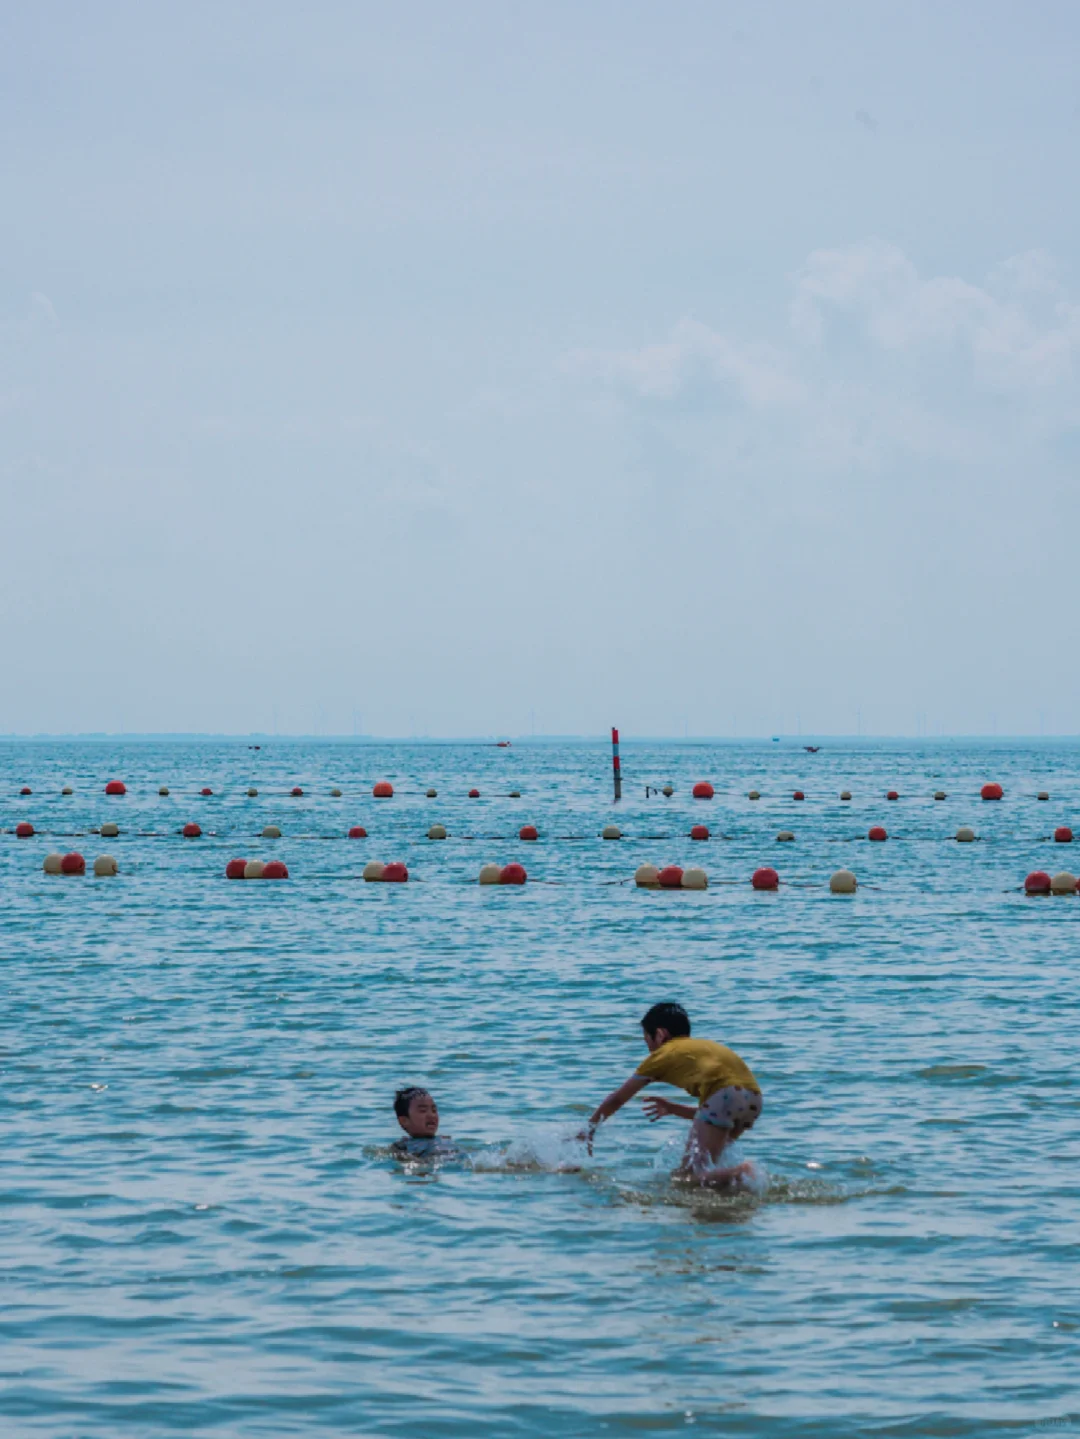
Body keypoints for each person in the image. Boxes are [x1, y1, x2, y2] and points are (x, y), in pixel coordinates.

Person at [584, 1002, 762, 1187]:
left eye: (647, 1041)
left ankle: (743, 1173)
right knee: (707, 1177)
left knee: (687, 1178)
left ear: (660, 1035)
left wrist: (589, 1129)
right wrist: (672, 1108)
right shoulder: (704, 1048)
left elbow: (617, 1099)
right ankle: (734, 1200)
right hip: (753, 1099)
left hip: (724, 1096)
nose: (649, 1050)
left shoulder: (662, 1054)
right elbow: (715, 1111)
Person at [391, 1086, 459, 1159]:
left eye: (434, 1110)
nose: (431, 1115)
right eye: (423, 1111)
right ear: (404, 1121)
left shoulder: (445, 1140)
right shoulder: (402, 1146)